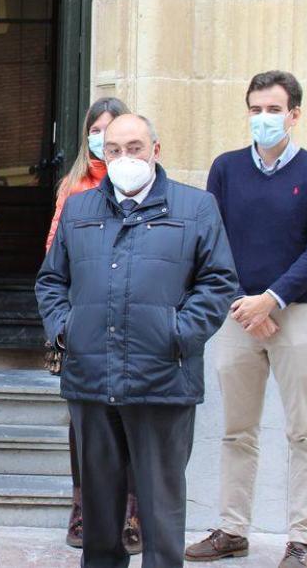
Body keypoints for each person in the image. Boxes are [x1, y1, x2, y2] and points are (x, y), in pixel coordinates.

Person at [36, 113, 239, 568]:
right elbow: (51, 281)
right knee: (100, 515)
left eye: (134, 148)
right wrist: (67, 330)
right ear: (101, 155)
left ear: (155, 150)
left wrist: (179, 333)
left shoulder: (196, 207)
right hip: (91, 377)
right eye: (113, 150)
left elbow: (219, 282)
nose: (124, 158)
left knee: (160, 513)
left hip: (163, 378)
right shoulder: (78, 208)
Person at [186, 72, 307, 568]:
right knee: (237, 431)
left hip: (297, 316)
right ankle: (232, 529)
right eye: (255, 109)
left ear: (294, 114)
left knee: (304, 432)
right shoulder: (226, 170)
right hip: (238, 317)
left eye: (273, 110)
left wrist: (271, 301)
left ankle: (302, 540)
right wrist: (244, 305)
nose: (263, 119)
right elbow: (212, 241)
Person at [45, 97, 143, 553]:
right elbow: (55, 257)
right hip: (84, 327)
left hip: (132, 329)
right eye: (97, 130)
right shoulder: (74, 188)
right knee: (81, 424)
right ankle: (83, 506)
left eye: (112, 129)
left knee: (133, 421)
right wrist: (62, 325)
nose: (105, 139)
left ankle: (133, 510)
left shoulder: (146, 186)